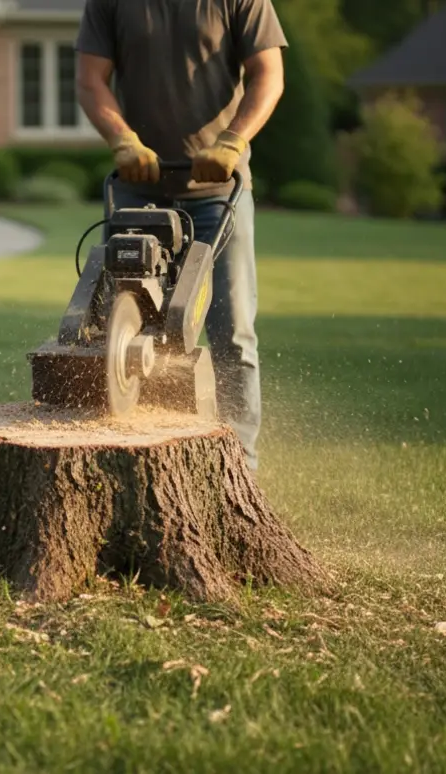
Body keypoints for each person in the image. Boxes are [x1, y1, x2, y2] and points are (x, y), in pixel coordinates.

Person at [75, 0, 287, 472]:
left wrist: (232, 140)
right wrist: (123, 141)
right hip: (137, 189)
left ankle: (240, 470)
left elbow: (268, 74)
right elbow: (91, 81)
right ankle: (134, 461)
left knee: (231, 332)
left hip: (219, 193)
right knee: (123, 328)